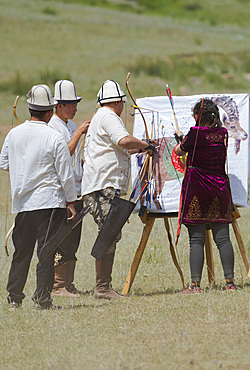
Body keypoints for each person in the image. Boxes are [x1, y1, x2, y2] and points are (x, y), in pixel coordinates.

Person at [0, 84, 77, 310]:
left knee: (21, 252)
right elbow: (66, 173)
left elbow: (3, 162)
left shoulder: (14, 134)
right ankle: (42, 300)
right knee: (46, 252)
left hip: (23, 204)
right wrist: (70, 202)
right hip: (49, 203)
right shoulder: (54, 136)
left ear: (30, 109)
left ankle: (14, 298)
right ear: (51, 111)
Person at [82, 79, 155, 300]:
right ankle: (102, 288)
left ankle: (103, 287)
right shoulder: (109, 116)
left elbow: (118, 149)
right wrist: (146, 145)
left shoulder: (100, 117)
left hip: (101, 184)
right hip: (103, 185)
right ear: (118, 102)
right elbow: (123, 141)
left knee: (110, 232)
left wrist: (141, 148)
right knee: (109, 232)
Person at [175, 98, 236, 293]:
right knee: (223, 239)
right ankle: (230, 283)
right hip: (219, 189)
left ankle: (195, 285)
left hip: (197, 190)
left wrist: (181, 140)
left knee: (196, 239)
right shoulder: (223, 133)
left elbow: (179, 151)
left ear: (198, 116)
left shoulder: (194, 133)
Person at [48, 80, 90, 297]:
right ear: (59, 106)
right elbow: (64, 155)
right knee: (61, 237)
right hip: (62, 192)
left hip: (77, 190)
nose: (75, 108)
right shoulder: (52, 127)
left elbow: (76, 160)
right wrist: (79, 133)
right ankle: (57, 285)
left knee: (74, 239)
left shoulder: (71, 126)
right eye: (70, 104)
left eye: (75, 104)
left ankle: (68, 282)